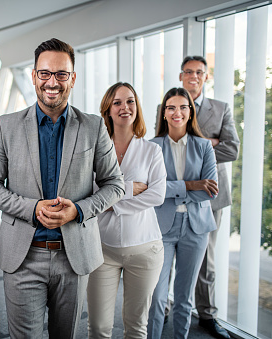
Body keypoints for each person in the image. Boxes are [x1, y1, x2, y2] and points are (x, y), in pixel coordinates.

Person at [0, 38, 125, 339]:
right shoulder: (6, 126)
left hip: (74, 257)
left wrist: (78, 210)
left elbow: (115, 184)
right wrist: (31, 208)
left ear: (72, 78)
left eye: (61, 74)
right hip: (23, 256)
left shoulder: (93, 127)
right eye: (45, 73)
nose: (52, 82)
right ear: (34, 76)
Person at [156, 56, 239, 339]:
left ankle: (208, 315)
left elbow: (232, 150)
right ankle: (163, 307)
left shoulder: (221, 108)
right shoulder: (165, 109)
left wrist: (205, 147)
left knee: (206, 263)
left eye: (199, 72)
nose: (194, 76)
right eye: (188, 72)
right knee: (162, 269)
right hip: (169, 207)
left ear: (206, 76)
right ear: (181, 76)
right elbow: (155, 182)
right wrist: (192, 179)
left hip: (211, 198)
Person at [87, 82, 166, 339]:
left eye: (130, 101)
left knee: (136, 327)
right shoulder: (94, 152)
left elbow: (157, 195)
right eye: (118, 102)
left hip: (145, 250)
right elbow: (86, 196)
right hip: (102, 250)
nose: (125, 107)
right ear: (108, 109)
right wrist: (131, 188)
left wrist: (109, 201)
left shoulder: (152, 150)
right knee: (98, 327)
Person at [147, 87, 218, 339]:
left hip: (196, 227)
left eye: (183, 107)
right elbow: (151, 189)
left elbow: (210, 192)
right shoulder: (152, 147)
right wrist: (191, 184)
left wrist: (171, 189)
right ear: (164, 113)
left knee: (185, 298)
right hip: (161, 227)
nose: (177, 112)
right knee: (156, 296)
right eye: (171, 107)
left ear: (190, 112)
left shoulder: (204, 147)